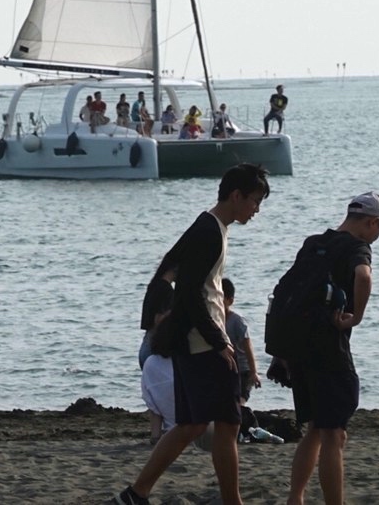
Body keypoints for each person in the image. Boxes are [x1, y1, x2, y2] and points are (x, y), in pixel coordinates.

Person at [114, 163, 272, 505]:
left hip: (193, 341)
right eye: (255, 201)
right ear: (236, 196)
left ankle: (136, 494)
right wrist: (218, 340)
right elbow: (188, 292)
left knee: (191, 425)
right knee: (228, 423)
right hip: (203, 344)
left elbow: (168, 270)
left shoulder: (209, 226)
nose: (257, 210)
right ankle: (232, 502)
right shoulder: (210, 231)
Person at [281, 192, 379, 505]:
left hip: (299, 347)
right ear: (371, 222)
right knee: (334, 434)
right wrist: (356, 316)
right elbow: (363, 276)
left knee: (316, 428)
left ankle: (296, 498)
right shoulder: (357, 247)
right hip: (328, 347)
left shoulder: (313, 243)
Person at [139, 244, 181, 442]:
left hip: (147, 342)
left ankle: (156, 434)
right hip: (156, 344)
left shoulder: (154, 286)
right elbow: (159, 320)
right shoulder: (166, 290)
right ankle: (170, 431)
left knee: (153, 396)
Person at [222, 278, 259, 428]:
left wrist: (254, 372)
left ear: (230, 301)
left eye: (221, 299)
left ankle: (243, 424)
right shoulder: (214, 320)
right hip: (228, 368)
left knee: (241, 398)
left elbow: (248, 345)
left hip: (243, 369)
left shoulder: (237, 321)